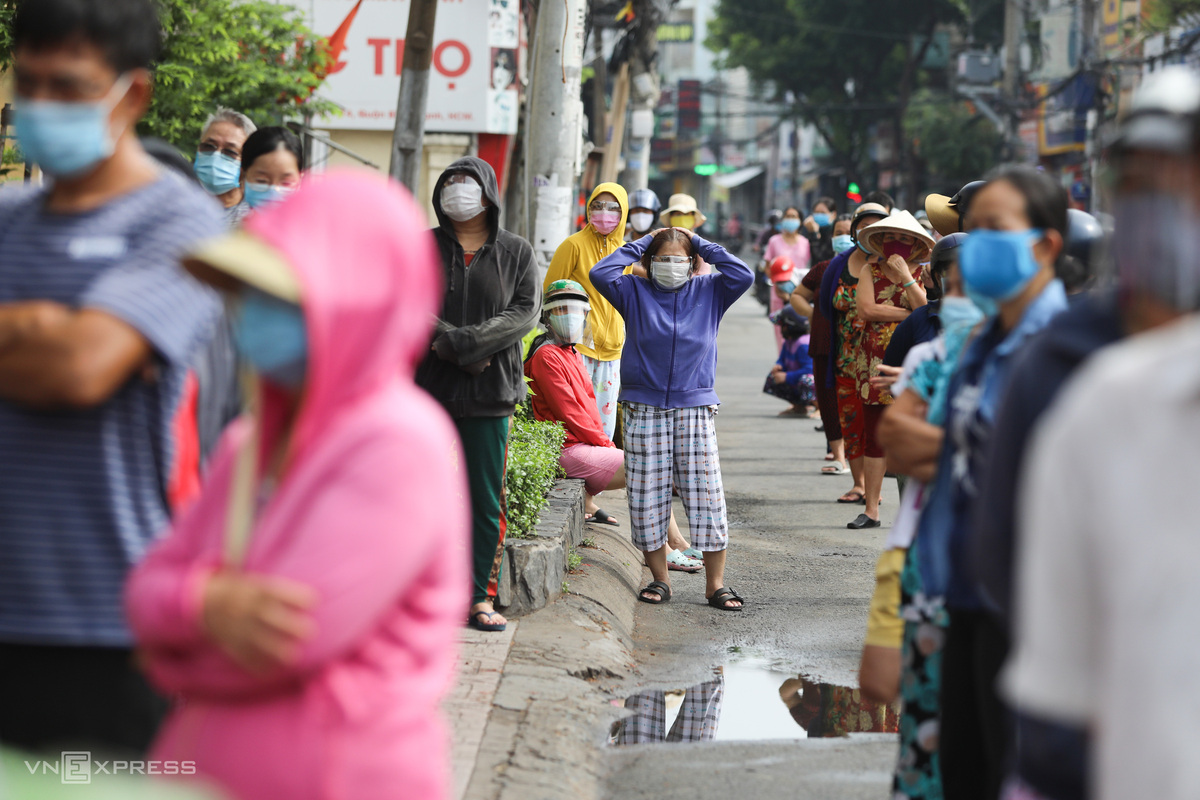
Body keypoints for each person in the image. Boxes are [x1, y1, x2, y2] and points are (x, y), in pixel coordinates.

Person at [126, 170, 468, 800]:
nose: (250, 315)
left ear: (359, 302)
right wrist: (204, 607)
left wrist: (173, 646)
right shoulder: (249, 443)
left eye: (280, 296)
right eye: (248, 292)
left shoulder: (396, 443)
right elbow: (142, 592)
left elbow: (287, 639)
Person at [0, 0, 225, 754]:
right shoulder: (6, 217)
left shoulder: (181, 224)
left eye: (66, 86)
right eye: (26, 84)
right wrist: (38, 329)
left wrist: (54, 339)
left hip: (104, 629)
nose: (39, 106)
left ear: (132, 94)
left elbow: (78, 367)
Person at [973, 67, 1200, 800]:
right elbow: (1019, 574)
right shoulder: (1085, 384)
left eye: (1186, 178)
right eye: (1143, 183)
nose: (1168, 205)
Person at [915, 166, 1070, 800]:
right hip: (963, 600)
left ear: (1045, 246)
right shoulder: (979, 342)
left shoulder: (1063, 350)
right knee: (964, 771)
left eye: (994, 230)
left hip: (1029, 611)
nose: (976, 245)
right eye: (970, 231)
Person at [591, 228, 753, 610]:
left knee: (706, 495)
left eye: (679, 259)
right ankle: (660, 579)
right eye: (662, 259)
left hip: (695, 407)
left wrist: (700, 244)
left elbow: (744, 275)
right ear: (648, 262)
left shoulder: (711, 291)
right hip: (644, 407)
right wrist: (642, 243)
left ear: (693, 263)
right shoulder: (632, 291)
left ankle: (715, 586)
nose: (671, 267)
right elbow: (601, 273)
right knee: (647, 495)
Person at [875, 241, 984, 800]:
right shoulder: (927, 351)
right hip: (927, 566)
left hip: (1003, 580)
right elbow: (899, 444)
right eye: (950, 281)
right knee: (923, 724)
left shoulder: (1040, 353)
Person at [418, 157, 540, 633]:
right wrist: (458, 348)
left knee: (485, 501)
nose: (457, 191)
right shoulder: (421, 247)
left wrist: (468, 344)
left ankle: (478, 598)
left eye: (467, 183)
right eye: (449, 183)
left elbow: (525, 313)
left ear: (488, 191)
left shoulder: (516, 251)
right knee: (421, 496)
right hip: (429, 390)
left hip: (491, 393)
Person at [524, 279, 703, 572]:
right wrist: (607, 443)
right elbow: (570, 414)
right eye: (561, 310)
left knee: (653, 464)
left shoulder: (569, 352)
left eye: (576, 310)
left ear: (585, 315)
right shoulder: (546, 355)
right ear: (548, 316)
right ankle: (663, 549)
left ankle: (677, 542)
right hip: (568, 448)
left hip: (583, 445)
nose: (570, 316)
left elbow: (588, 409)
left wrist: (605, 442)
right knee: (648, 468)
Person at [848, 211, 932, 530]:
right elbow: (866, 309)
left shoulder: (923, 272)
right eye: (894, 237)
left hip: (911, 362)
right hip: (874, 361)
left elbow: (925, 309)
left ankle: (913, 510)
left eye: (908, 239)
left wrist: (906, 278)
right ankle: (871, 509)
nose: (900, 244)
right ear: (882, 241)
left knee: (911, 433)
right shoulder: (870, 270)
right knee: (875, 436)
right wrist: (907, 313)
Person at [544, 183, 630, 440]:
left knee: (604, 427)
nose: (605, 213)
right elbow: (550, 292)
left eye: (614, 207)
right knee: (578, 424)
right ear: (588, 208)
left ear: (623, 212)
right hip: (578, 348)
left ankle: (600, 477)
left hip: (613, 352)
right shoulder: (573, 245)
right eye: (598, 206)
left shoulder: (625, 252)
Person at [819, 202, 890, 505]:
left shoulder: (893, 264)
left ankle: (874, 490)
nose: (867, 231)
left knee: (877, 427)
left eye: (875, 226)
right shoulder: (839, 264)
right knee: (851, 425)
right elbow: (824, 306)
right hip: (845, 362)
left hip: (882, 365)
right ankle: (858, 484)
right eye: (863, 225)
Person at [794, 213, 853, 475]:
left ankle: (859, 457)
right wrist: (815, 315)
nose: (844, 237)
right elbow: (797, 295)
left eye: (849, 232)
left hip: (854, 345)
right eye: (838, 232)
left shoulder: (871, 270)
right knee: (828, 401)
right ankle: (838, 455)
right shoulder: (822, 269)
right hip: (823, 342)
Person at [193, 107, 257, 225]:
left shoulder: (256, 220)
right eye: (209, 146)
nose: (215, 156)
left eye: (230, 151)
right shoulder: (175, 205)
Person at [764, 206, 812, 349]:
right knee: (782, 333)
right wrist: (779, 286)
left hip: (801, 294)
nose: (790, 219)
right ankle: (784, 362)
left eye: (794, 216)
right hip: (779, 294)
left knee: (801, 332)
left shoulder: (806, 242)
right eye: (788, 216)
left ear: (800, 221)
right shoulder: (774, 241)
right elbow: (767, 266)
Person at [233, 126, 304, 216]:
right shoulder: (224, 227)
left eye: (286, 183)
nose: (273, 191)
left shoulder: (318, 227)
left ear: (301, 182)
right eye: (262, 181)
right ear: (242, 177)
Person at [763, 306, 814, 417]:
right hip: (796, 378)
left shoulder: (803, 344)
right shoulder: (789, 342)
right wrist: (779, 366)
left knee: (807, 380)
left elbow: (809, 369)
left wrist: (787, 376)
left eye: (782, 326)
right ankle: (799, 407)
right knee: (772, 378)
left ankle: (820, 408)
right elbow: (782, 359)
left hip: (809, 381)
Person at [803, 196, 837, 263]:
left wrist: (814, 234)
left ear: (833, 214)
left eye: (823, 213)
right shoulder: (811, 230)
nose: (819, 215)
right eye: (817, 212)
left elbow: (820, 258)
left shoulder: (835, 233)